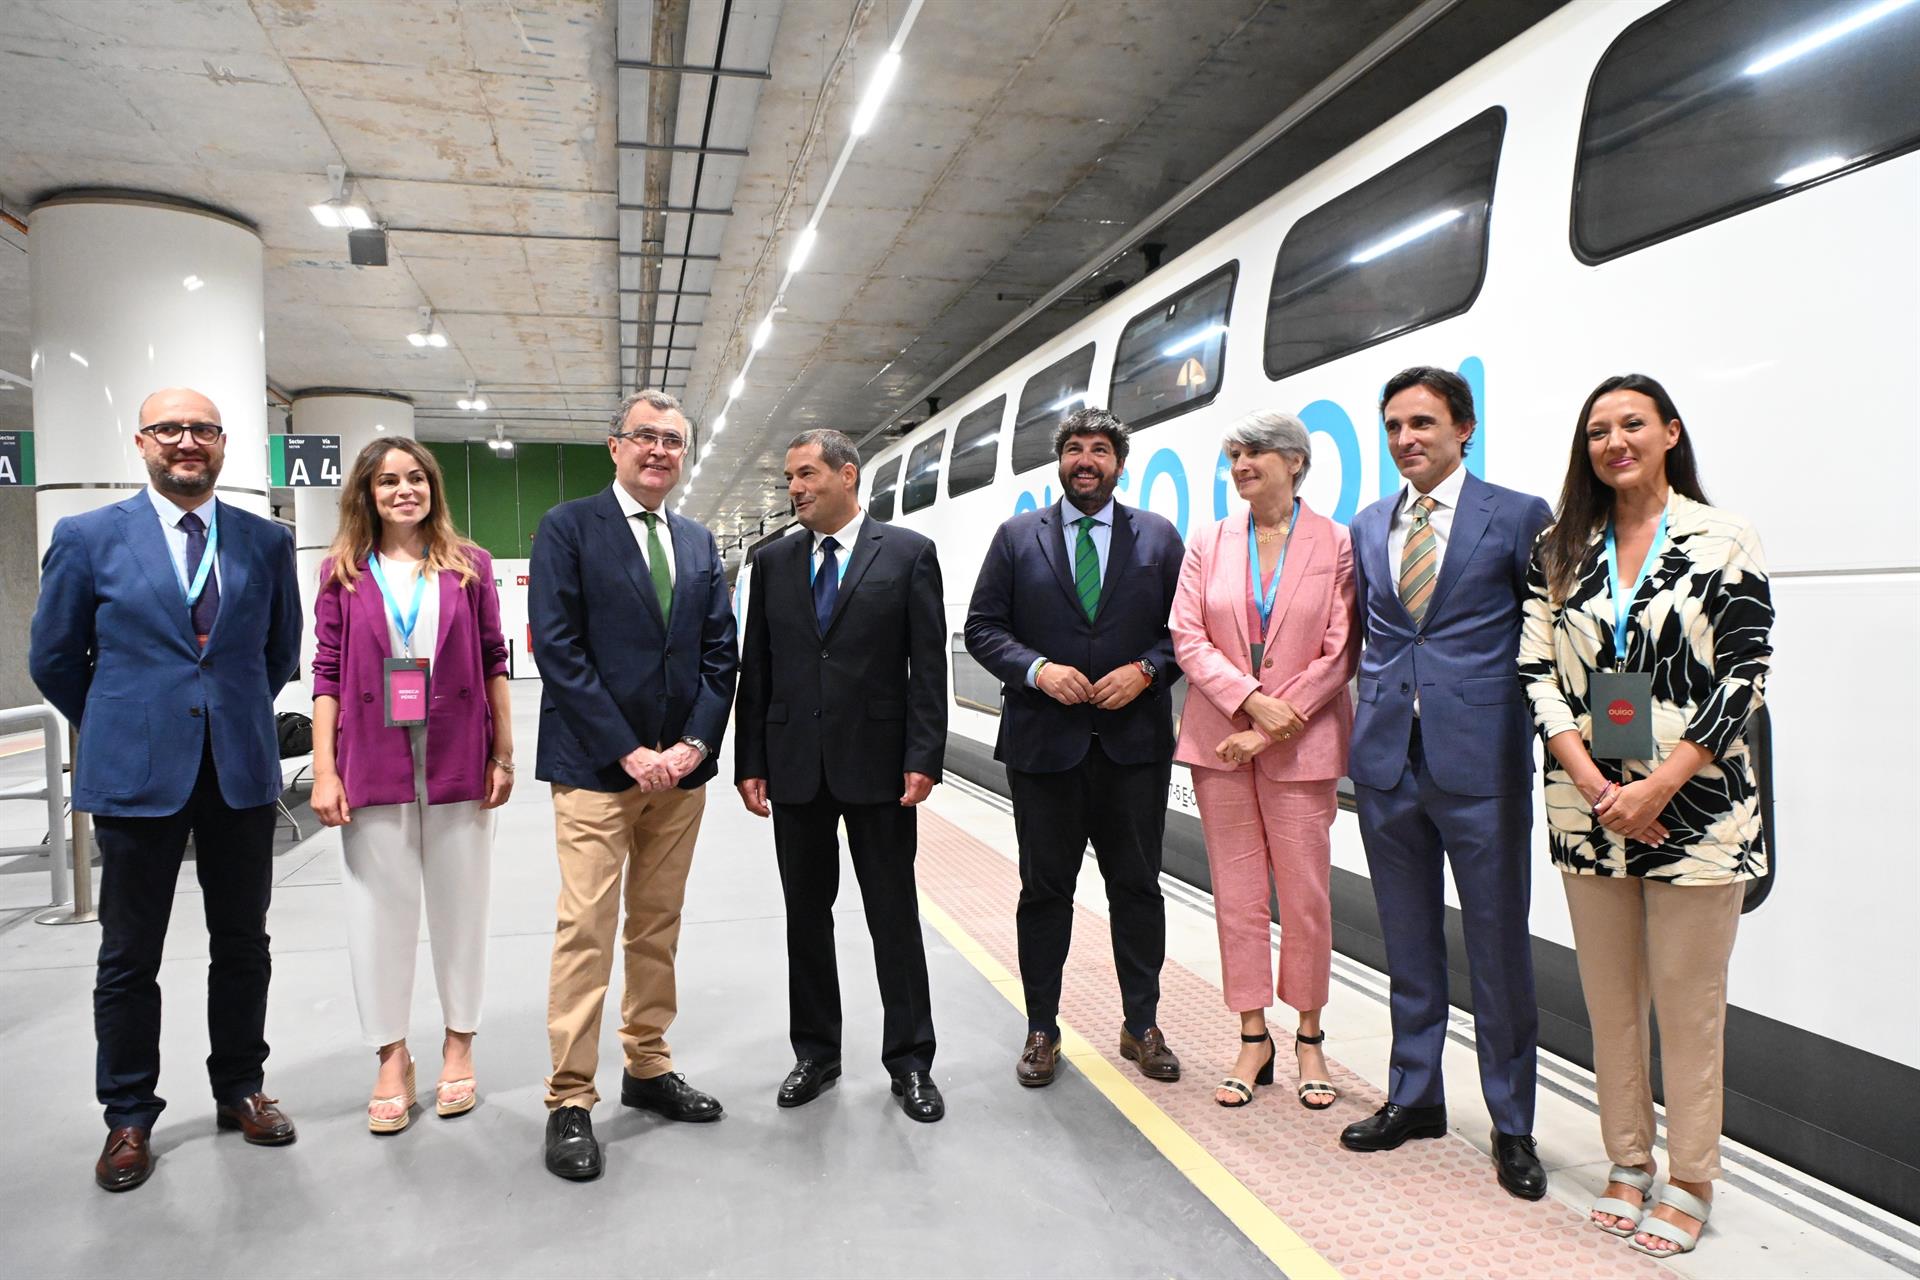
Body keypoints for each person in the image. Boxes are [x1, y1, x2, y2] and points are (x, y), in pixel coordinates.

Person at [1519, 374, 1772, 1257]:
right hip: (1588, 810)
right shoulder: (1559, 547)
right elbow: (1536, 676)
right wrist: (1598, 788)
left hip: (1696, 810)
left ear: (1670, 432)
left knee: (1690, 1005)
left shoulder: (1722, 538)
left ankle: (1692, 1177)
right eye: (1598, 430)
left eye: (1633, 424)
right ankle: (1628, 1160)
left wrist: (1659, 785)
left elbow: (1746, 675)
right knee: (1610, 1002)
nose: (1615, 441)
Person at [29, 387, 302, 1192]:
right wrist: (124, 721)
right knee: (128, 954)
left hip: (240, 772)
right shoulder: (86, 538)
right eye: (171, 429)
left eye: (204, 430)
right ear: (142, 441)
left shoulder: (265, 540)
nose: (189, 442)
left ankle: (240, 1089)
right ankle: (127, 1116)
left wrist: (219, 715)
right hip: (137, 777)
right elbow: (54, 657)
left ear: (223, 445)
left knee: (243, 944)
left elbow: (278, 654)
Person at [1338, 366, 1552, 1201]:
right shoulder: (1367, 522)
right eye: (1393, 427)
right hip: (1389, 759)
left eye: (1422, 423)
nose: (1405, 440)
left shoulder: (1519, 514)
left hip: (1483, 759)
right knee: (1408, 943)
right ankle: (1415, 1095)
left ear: (1465, 428)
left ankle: (1511, 1123)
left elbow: (1545, 633)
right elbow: (1369, 636)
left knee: (1499, 949)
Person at [529, 389, 739, 1181]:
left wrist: (689, 746)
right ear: (614, 446)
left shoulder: (696, 540)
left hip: (677, 777)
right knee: (585, 928)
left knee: (657, 926)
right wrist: (627, 750)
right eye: (644, 437)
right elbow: (559, 649)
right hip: (595, 771)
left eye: (674, 441)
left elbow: (722, 654)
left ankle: (647, 1068)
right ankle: (570, 1099)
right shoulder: (568, 528)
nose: (659, 451)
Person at [963, 407, 1186, 1089]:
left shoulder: (1158, 537)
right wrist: (1038, 670)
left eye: (1099, 450)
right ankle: (1042, 1028)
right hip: (1044, 746)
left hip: (1132, 747)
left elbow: (1187, 630)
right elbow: (982, 628)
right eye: (1073, 449)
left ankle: (1140, 1024)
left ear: (1120, 463)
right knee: (1044, 892)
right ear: (1058, 462)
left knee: (1138, 890)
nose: (1085, 460)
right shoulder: (1015, 538)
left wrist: (1147, 669)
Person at [736, 429, 949, 1122]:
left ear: (846, 475)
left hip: (883, 767)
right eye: (789, 478)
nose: (794, 488)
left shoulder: (909, 554)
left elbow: (928, 666)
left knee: (894, 915)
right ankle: (816, 1055)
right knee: (806, 916)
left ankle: (911, 1061)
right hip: (796, 764)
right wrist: (751, 761)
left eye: (805, 475)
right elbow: (757, 666)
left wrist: (924, 756)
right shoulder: (771, 561)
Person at [308, 437, 513, 1134]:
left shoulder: (470, 566)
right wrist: (326, 767)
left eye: (416, 478)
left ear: (433, 488)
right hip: (372, 759)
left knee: (463, 908)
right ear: (367, 491)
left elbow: (494, 661)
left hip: (458, 755)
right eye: (389, 480)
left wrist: (503, 755)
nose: (404, 490)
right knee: (377, 914)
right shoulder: (342, 573)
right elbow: (327, 674)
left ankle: (460, 1043)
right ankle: (392, 1056)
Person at [1168, 411, 1357, 1109]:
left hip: (1301, 744)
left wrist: (1277, 721)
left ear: (1296, 462)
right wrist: (1251, 703)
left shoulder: (1334, 543)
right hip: (1221, 741)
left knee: (1305, 898)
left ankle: (1309, 1035)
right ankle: (1253, 1034)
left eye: (1256, 452)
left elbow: (1341, 650)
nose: (1242, 464)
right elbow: (1187, 636)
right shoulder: (1209, 542)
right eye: (1235, 455)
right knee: (1238, 897)